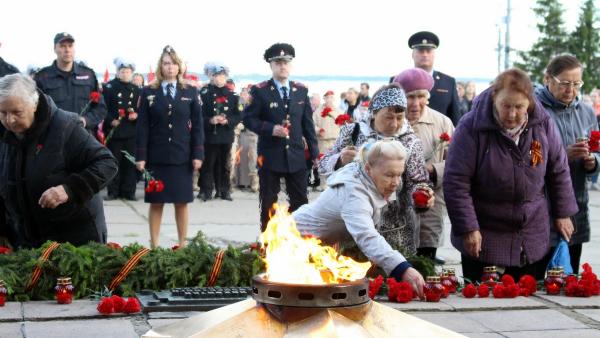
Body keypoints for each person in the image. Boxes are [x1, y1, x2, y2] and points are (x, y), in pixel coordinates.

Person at [444, 68, 578, 281]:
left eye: (519, 107)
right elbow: (456, 182)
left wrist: (563, 213)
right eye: (506, 106)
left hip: (532, 233)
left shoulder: (542, 124)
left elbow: (558, 170)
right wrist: (468, 227)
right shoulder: (471, 126)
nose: (512, 114)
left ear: (529, 103)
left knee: (529, 305)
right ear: (494, 97)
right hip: (485, 233)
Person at [294, 140, 425, 298]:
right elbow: (366, 236)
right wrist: (403, 269)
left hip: (321, 246)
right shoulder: (353, 192)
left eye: (399, 174)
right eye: (389, 175)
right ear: (368, 168)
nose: (396, 182)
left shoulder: (369, 175)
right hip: (293, 243)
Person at [0, 74, 117, 248]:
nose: (9, 120)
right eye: (3, 113)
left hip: (74, 242)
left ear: (34, 104)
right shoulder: (3, 132)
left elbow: (107, 163)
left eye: (17, 112)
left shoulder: (64, 127)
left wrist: (70, 189)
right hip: (25, 240)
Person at [319, 83, 433, 256]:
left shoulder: (410, 142)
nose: (394, 124)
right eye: (388, 117)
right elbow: (322, 164)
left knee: (391, 280)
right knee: (352, 277)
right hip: (352, 226)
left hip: (395, 232)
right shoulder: (354, 132)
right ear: (373, 112)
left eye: (400, 117)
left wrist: (421, 197)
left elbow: (416, 181)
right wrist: (340, 160)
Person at [243, 42, 319, 232]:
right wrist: (270, 128)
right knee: (268, 203)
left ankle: (300, 242)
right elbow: (249, 119)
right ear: (271, 65)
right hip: (270, 157)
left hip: (296, 156)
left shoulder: (300, 90)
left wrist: (315, 153)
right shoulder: (260, 91)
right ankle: (268, 244)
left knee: (301, 203)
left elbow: (307, 124)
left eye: (286, 62)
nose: (283, 66)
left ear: (291, 65)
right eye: (278, 62)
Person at [136, 46, 204, 248]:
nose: (171, 67)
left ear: (179, 66)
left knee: (181, 202)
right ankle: (155, 245)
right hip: (156, 156)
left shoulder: (190, 91)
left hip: (182, 156)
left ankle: (182, 244)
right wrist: (141, 156)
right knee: (156, 202)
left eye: (174, 63)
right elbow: (142, 127)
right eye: (166, 63)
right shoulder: (149, 91)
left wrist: (198, 154)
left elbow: (198, 126)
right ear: (160, 66)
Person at [535, 55, 597, 274]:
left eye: (576, 84)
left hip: (577, 202)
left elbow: (597, 149)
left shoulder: (587, 111)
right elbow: (530, 158)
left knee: (569, 276)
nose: (571, 89)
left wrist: (592, 162)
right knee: (538, 278)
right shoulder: (534, 110)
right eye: (564, 83)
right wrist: (563, 155)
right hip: (542, 203)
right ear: (547, 79)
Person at [394, 68, 455, 261]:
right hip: (396, 206)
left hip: (431, 204)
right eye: (410, 97)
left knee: (426, 261)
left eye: (420, 96)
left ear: (428, 97)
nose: (415, 103)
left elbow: (456, 164)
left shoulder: (442, 123)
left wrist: (433, 170)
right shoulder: (391, 121)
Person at [35, 33, 107, 133]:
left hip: (84, 137)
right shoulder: (42, 77)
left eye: (70, 46)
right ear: (55, 49)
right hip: (54, 137)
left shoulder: (88, 75)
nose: (67, 50)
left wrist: (86, 120)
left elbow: (100, 107)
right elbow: (34, 109)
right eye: (62, 46)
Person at [198, 62, 241, 201]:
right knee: (208, 165)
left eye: (222, 75)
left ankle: (224, 190)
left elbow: (239, 114)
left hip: (226, 136)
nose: (219, 78)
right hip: (210, 136)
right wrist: (210, 120)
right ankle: (206, 191)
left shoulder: (233, 95)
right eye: (216, 75)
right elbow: (198, 115)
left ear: (226, 77)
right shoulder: (204, 94)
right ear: (211, 76)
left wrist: (228, 120)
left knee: (225, 165)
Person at [102, 57, 140, 201]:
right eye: (123, 71)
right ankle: (113, 191)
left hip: (130, 132)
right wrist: (110, 121)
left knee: (130, 163)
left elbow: (141, 110)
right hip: (115, 132)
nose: (125, 74)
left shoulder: (136, 90)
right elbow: (102, 108)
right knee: (114, 163)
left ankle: (129, 191)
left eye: (128, 71)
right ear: (117, 72)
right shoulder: (109, 87)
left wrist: (136, 115)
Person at [408, 31, 461, 126]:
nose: (425, 54)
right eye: (420, 51)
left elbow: (455, 117)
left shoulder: (449, 82)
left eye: (428, 51)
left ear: (434, 54)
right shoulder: (400, 81)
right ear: (412, 55)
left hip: (440, 138)